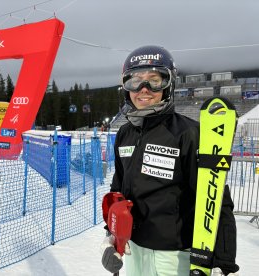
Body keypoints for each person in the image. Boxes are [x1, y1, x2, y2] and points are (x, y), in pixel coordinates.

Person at [100, 45, 239, 276]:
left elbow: (215, 197)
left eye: (155, 80)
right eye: (135, 80)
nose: (144, 89)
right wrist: (112, 239)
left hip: (174, 257)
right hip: (134, 250)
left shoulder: (188, 133)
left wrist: (223, 263)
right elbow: (118, 191)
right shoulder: (124, 134)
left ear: (169, 85)